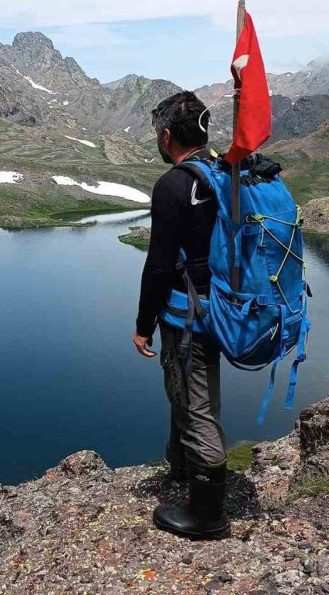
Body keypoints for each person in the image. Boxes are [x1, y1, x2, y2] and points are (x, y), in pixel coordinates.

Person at [133, 90, 229, 540]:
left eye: (158, 132)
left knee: (195, 404)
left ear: (167, 135)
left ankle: (208, 515)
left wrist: (142, 325)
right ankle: (181, 468)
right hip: (228, 308)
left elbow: (158, 264)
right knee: (188, 390)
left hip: (190, 315)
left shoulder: (173, 184)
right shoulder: (226, 171)